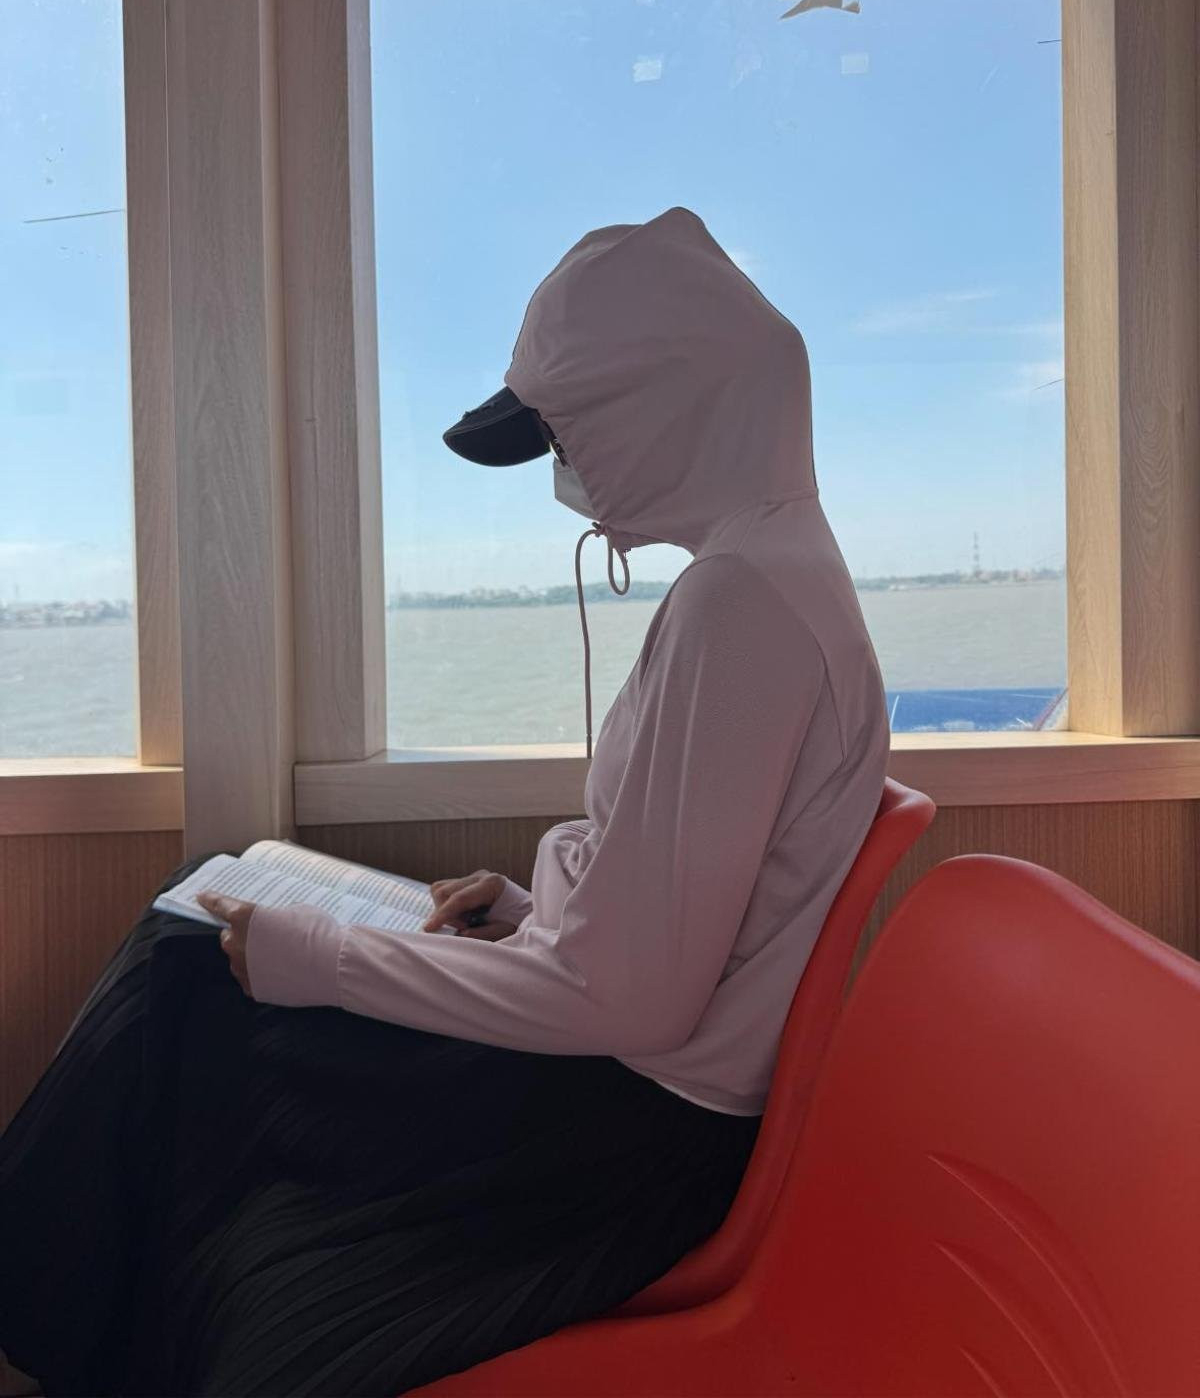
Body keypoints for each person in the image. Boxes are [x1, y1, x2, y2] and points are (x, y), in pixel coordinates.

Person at [0, 204, 889, 1398]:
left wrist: (322, 958)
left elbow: (631, 995)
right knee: (195, 946)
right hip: (624, 1086)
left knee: (186, 968)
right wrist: (531, 911)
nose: (565, 477)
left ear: (661, 408)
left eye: (566, 434)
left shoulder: (743, 608)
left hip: (621, 1141)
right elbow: (700, 932)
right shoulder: (771, 576)